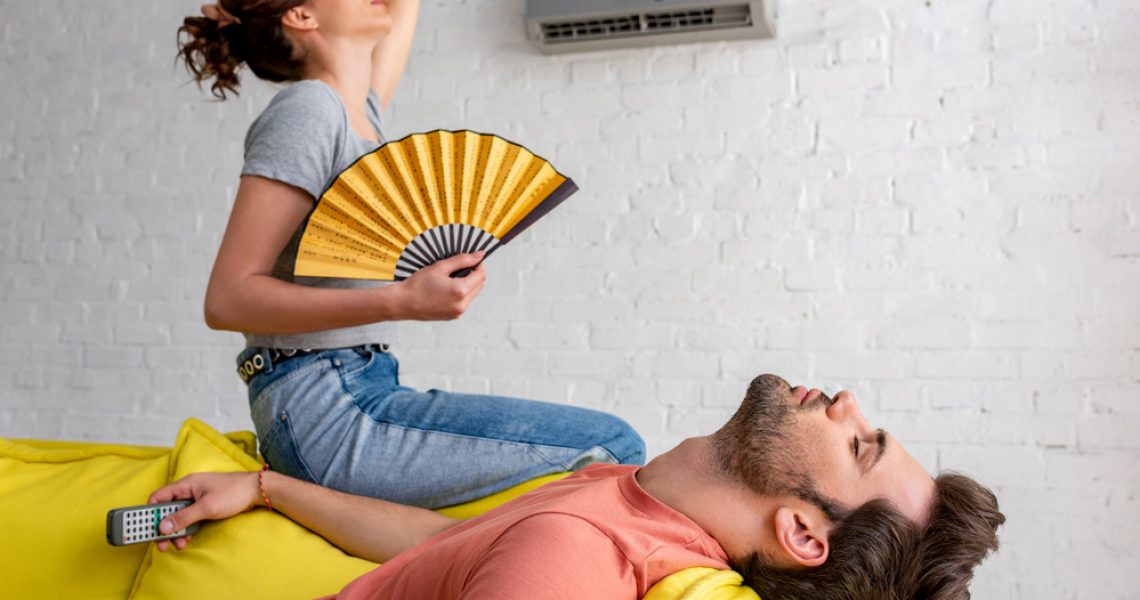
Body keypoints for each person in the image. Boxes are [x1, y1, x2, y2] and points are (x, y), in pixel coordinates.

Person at [175, 0, 645, 509]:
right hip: (324, 406)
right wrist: (402, 300)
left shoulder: (360, 110)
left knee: (608, 453)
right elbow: (227, 298)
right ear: (303, 16)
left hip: (359, 386)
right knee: (611, 446)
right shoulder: (307, 111)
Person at [150, 374, 1005, 599]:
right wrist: (265, 489)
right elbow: (431, 546)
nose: (848, 404)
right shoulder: (618, 493)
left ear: (803, 536)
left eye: (860, 445)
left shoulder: (578, 560)